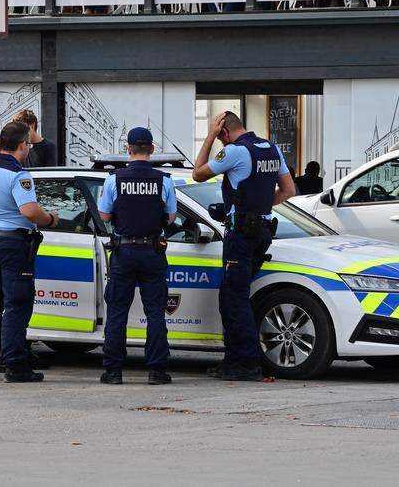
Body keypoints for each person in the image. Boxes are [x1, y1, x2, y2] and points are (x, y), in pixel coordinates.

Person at [192, 111, 296, 381]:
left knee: (235, 299)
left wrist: (208, 137)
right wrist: (258, 208)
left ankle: (246, 364)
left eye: (219, 135)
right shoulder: (271, 149)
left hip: (241, 235)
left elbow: (198, 174)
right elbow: (288, 191)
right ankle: (233, 361)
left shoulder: (236, 151)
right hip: (263, 231)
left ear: (224, 133)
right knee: (232, 296)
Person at [0, 121, 60, 383]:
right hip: (13, 246)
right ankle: (15, 365)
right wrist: (51, 219)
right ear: (23, 145)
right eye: (28, 146)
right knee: (17, 304)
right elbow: (29, 211)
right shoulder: (19, 175)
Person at [97, 127, 177, 385]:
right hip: (153, 250)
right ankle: (156, 371)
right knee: (155, 311)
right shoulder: (164, 180)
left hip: (124, 250)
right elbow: (171, 217)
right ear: (152, 150)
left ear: (128, 149)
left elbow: (105, 216)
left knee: (118, 310)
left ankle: (113, 371)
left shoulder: (113, 179)